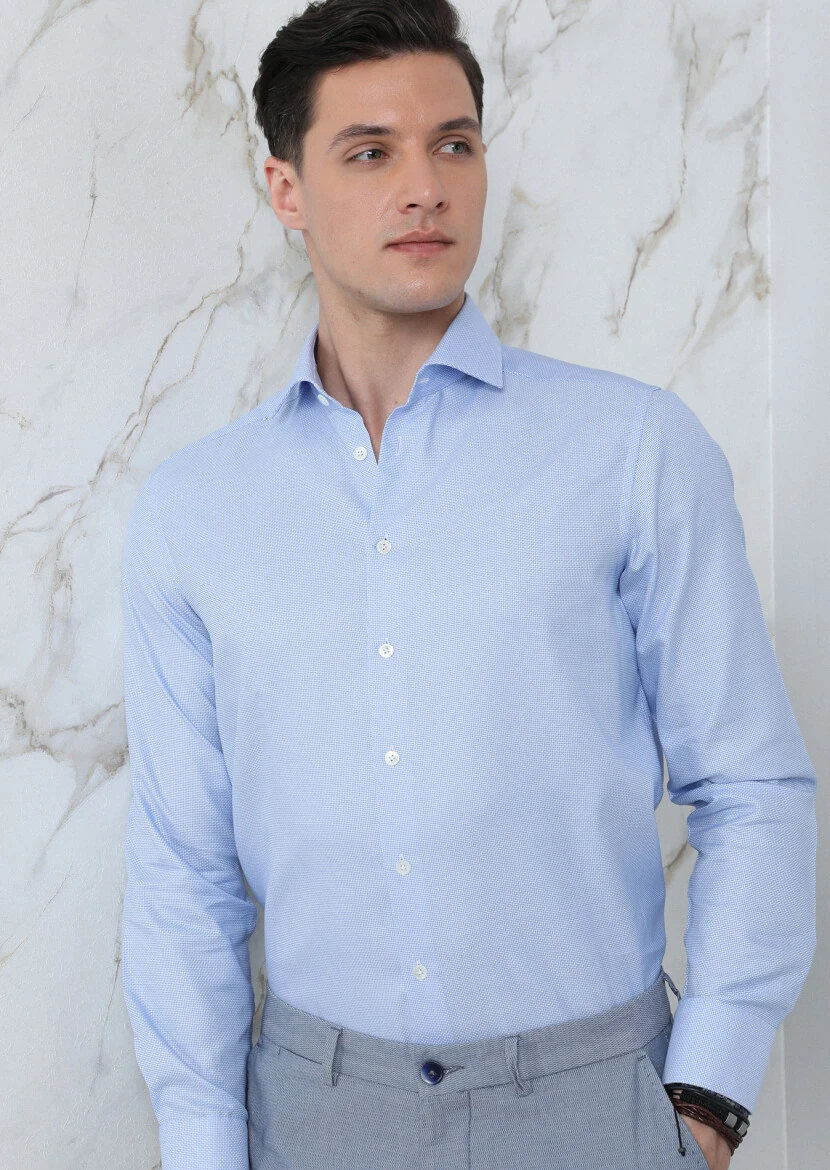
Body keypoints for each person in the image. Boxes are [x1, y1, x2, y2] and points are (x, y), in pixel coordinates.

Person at [119, 2, 817, 1168]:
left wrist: (706, 1099)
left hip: (598, 1106)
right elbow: (182, 872)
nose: (424, 189)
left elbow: (750, 782)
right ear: (284, 189)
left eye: (453, 144)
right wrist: (201, 1146)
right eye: (368, 152)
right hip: (314, 1113)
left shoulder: (630, 450)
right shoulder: (194, 510)